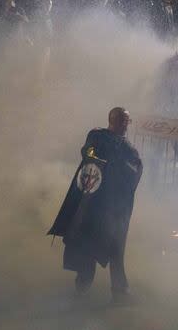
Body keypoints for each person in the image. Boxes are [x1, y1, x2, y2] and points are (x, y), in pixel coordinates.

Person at [48, 107, 143, 302]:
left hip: (115, 206)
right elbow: (88, 150)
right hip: (93, 201)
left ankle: (120, 290)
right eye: (123, 121)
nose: (126, 125)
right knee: (87, 239)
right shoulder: (98, 135)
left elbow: (136, 167)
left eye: (128, 121)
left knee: (116, 245)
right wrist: (95, 157)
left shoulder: (128, 148)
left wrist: (124, 166)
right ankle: (84, 278)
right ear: (113, 120)